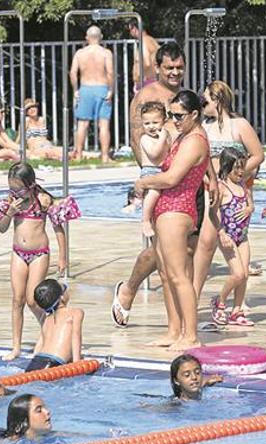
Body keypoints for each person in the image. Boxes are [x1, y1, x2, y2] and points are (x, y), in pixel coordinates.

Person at [112, 42, 188, 328]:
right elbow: (137, 138)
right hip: (158, 176)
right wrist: (147, 179)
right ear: (157, 68)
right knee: (161, 246)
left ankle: (183, 311)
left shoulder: (182, 95)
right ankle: (129, 288)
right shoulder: (147, 95)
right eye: (169, 67)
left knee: (185, 246)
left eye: (179, 67)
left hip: (182, 178)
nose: (175, 72)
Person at [0, 162, 79, 360]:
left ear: (31, 184)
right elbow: (2, 228)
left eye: (19, 189)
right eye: (12, 189)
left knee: (33, 300)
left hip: (39, 254)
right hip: (18, 253)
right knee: (17, 300)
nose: (15, 193)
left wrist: (63, 257)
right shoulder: (12, 202)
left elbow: (58, 228)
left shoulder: (42, 200)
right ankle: (16, 346)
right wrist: (10, 212)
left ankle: (51, 323)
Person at [134, 90, 209, 350]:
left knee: (179, 275)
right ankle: (174, 331)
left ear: (195, 114)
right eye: (171, 115)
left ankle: (191, 335)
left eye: (179, 116)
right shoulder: (184, 136)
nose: (174, 121)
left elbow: (171, 178)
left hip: (178, 208)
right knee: (165, 274)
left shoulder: (195, 140)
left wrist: (143, 182)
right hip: (165, 207)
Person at [193, 80, 264, 310]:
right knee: (206, 242)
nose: (202, 103)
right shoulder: (205, 126)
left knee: (237, 237)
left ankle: (238, 303)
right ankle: (193, 294)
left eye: (206, 99)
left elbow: (257, 155)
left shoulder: (239, 125)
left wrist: (238, 178)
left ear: (218, 100)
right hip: (212, 189)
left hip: (234, 192)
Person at [210, 148, 254, 327]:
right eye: (237, 168)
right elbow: (212, 213)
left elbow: (250, 202)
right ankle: (219, 301)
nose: (241, 172)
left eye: (242, 167)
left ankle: (237, 311)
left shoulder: (243, 185)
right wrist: (220, 233)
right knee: (238, 274)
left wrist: (250, 208)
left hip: (242, 237)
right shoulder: (222, 188)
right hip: (227, 236)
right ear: (227, 167)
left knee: (244, 276)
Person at [70, 25, 114, 163]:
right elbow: (110, 73)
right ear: (100, 37)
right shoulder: (106, 53)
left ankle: (78, 154)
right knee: (104, 124)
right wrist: (111, 90)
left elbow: (72, 73)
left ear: (87, 38)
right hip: (101, 88)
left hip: (85, 88)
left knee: (82, 124)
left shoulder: (80, 53)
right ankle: (105, 156)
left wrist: (76, 90)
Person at [26, 280, 83, 371]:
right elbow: (76, 336)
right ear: (62, 297)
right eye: (65, 289)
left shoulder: (46, 319)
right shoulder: (76, 313)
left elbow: (38, 347)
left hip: (34, 363)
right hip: (53, 364)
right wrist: (77, 362)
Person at [138, 101, 170, 238]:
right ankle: (145, 220)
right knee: (154, 192)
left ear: (164, 121)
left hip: (162, 172)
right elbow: (154, 154)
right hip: (150, 172)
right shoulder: (145, 139)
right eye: (147, 123)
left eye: (155, 122)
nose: (151, 127)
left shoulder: (165, 136)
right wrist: (162, 139)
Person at [126, 20, 159, 92]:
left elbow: (146, 63)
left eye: (130, 30)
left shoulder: (143, 41)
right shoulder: (152, 40)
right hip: (152, 81)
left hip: (145, 83)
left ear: (134, 29)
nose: (130, 33)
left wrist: (138, 77)